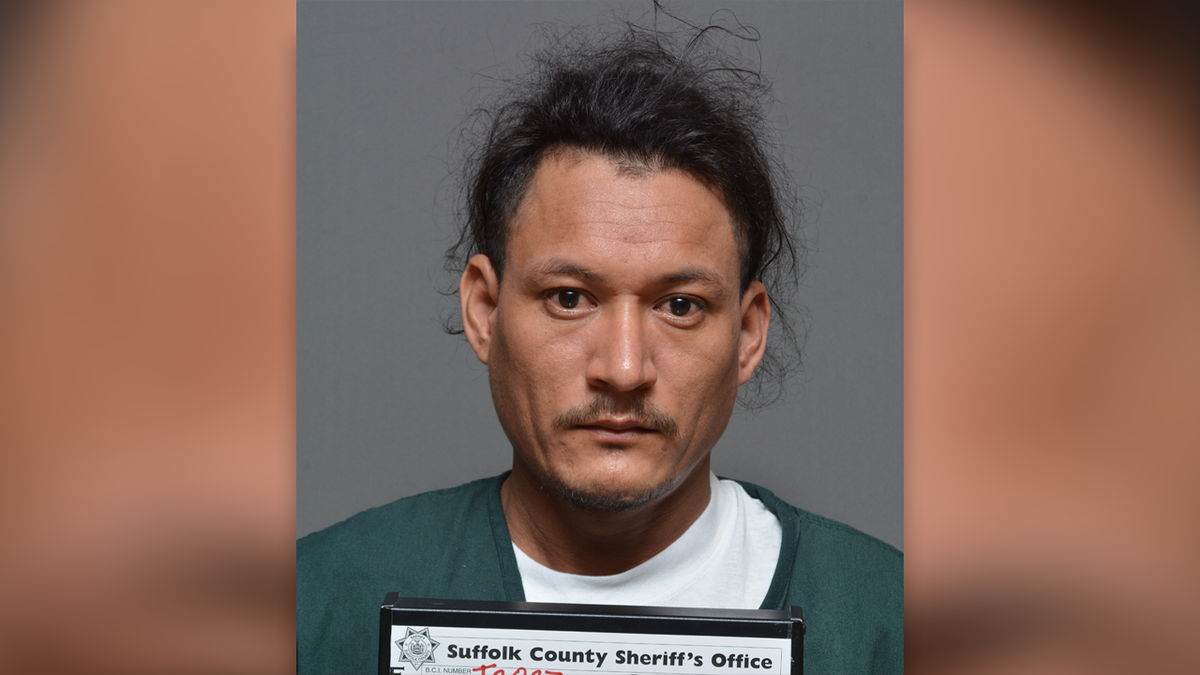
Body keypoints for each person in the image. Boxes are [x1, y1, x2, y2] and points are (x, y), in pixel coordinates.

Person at [298, 15, 901, 675]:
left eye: (679, 306)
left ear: (748, 333)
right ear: (483, 311)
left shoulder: (883, 621)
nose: (622, 368)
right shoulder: (318, 605)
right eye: (568, 297)